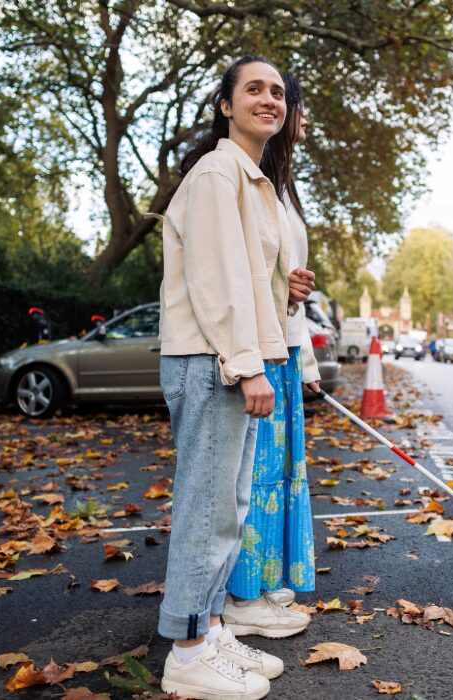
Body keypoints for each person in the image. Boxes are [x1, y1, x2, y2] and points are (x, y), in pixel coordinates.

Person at [156, 55, 294, 700]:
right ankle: (187, 653)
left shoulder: (247, 177)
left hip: (224, 361)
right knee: (208, 509)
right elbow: (217, 282)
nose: (269, 99)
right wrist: (247, 366)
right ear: (225, 105)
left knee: (229, 506)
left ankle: (209, 630)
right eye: (254, 89)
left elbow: (246, 280)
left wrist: (282, 301)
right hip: (211, 363)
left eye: (278, 92)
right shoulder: (218, 173)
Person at [222, 73, 319, 638]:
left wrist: (292, 288)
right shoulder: (237, 177)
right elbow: (236, 274)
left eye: (285, 99)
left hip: (279, 348)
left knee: (276, 475)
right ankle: (243, 594)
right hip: (257, 352)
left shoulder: (279, 185)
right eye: (296, 107)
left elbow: (275, 282)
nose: (293, 115)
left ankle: (262, 583)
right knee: (254, 477)